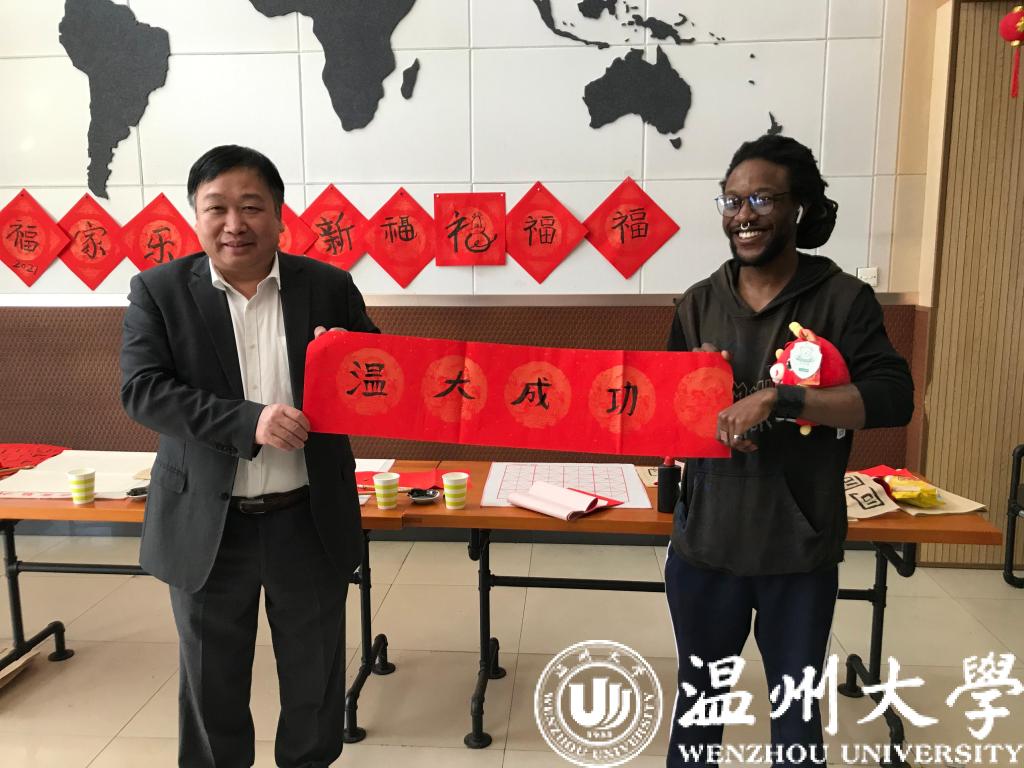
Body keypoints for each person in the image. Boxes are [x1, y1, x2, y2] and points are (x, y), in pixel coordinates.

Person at [120, 145, 379, 768]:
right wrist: (249, 421)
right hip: (208, 526)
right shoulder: (159, 291)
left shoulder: (328, 286)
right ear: (195, 215)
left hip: (307, 519)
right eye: (217, 208)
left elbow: (378, 376)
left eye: (252, 207)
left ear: (280, 215)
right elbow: (143, 390)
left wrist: (349, 356)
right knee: (211, 687)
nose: (234, 224)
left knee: (314, 686)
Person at [664, 134, 913, 767]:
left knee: (795, 717)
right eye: (732, 200)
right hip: (706, 545)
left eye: (762, 199)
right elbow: (671, 415)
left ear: (798, 207)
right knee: (698, 711)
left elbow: (892, 398)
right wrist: (694, 397)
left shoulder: (842, 299)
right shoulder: (698, 302)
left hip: (797, 550)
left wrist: (780, 399)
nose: (743, 215)